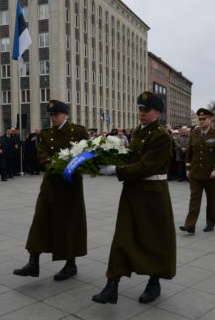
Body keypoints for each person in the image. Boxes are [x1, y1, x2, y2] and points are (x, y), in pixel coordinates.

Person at [92, 92, 176, 305]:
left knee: (154, 240)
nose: (141, 113)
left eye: (146, 110)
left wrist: (115, 170)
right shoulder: (138, 131)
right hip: (132, 191)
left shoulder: (162, 136)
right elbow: (132, 157)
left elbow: (147, 165)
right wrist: (107, 156)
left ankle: (154, 282)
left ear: (157, 112)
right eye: (140, 109)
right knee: (122, 237)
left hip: (152, 193)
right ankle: (112, 285)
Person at [13, 100, 89, 281]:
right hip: (50, 184)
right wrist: (56, 165)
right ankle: (33, 262)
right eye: (51, 115)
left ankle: (70, 264)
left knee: (69, 224)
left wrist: (72, 166)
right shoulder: (46, 134)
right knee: (40, 219)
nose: (53, 118)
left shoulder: (78, 131)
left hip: (70, 186)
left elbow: (88, 153)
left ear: (65, 114)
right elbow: (42, 155)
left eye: (56, 114)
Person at [179, 108, 215, 235]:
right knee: (194, 199)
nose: (201, 121)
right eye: (199, 119)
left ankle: (210, 223)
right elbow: (190, 153)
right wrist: (188, 168)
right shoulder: (194, 133)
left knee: (211, 200)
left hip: (211, 174)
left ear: (210, 120)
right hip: (196, 172)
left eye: (204, 119)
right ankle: (190, 225)